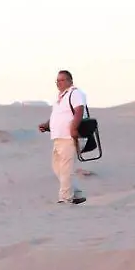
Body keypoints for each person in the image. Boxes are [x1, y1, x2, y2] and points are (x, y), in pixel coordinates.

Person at [37, 70, 87, 204]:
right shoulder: (61, 97)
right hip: (59, 138)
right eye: (57, 81)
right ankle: (76, 193)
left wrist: (74, 128)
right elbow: (58, 116)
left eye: (62, 80)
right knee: (58, 168)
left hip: (69, 137)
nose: (59, 83)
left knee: (65, 168)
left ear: (70, 81)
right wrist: (47, 125)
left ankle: (65, 199)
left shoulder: (75, 93)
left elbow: (79, 110)